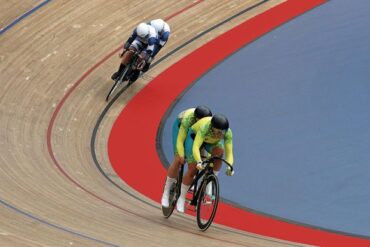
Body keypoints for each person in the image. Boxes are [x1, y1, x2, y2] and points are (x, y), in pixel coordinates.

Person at [175, 114, 235, 213]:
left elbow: (229, 153)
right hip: (194, 138)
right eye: (219, 132)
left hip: (211, 142)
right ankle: (181, 198)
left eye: (223, 132)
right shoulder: (205, 128)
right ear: (213, 128)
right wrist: (199, 161)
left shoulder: (228, 133)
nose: (221, 134)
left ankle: (210, 179)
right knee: (193, 168)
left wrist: (230, 166)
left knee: (220, 152)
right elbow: (196, 147)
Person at [161, 106, 212, 208]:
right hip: (180, 128)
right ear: (196, 119)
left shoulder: (209, 123)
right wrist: (181, 155)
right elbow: (180, 141)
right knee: (178, 159)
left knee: (202, 159)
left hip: (196, 133)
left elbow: (211, 142)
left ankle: (190, 183)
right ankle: (166, 192)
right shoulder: (188, 119)